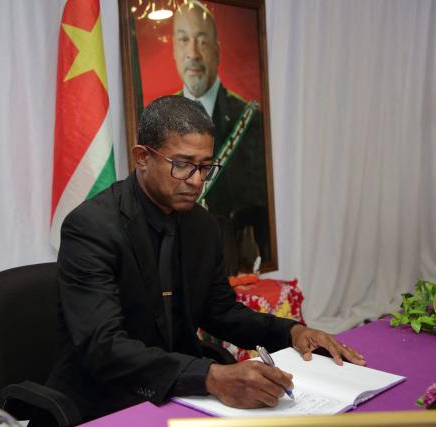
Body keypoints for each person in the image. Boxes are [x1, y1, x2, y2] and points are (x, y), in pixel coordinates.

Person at [41, 96, 365, 424]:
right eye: (182, 164)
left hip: (180, 390)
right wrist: (210, 376)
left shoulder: (203, 225)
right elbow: (103, 347)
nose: (197, 180)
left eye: (205, 166)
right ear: (142, 157)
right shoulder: (92, 227)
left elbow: (221, 312)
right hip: (103, 400)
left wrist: (291, 332)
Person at [172, 0, 270, 269]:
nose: (193, 53)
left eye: (202, 42)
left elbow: (260, 207)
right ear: (173, 49)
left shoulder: (250, 119)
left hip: (234, 261)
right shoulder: (159, 120)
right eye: (183, 40)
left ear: (217, 51)